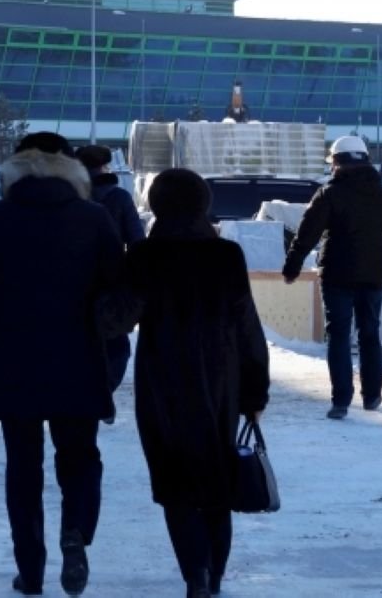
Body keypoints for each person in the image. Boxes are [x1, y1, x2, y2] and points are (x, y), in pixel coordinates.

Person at [0, 131, 123, 597]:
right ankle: (76, 532)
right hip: (79, 360)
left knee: (22, 467)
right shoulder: (94, 217)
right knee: (81, 457)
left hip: (13, 360)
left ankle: (31, 569)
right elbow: (117, 292)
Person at [115, 168, 270, 598]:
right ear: (203, 204)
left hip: (162, 380)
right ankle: (215, 575)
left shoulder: (143, 256)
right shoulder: (226, 255)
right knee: (218, 482)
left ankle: (195, 575)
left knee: (174, 482)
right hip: (221, 379)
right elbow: (247, 328)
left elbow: (119, 320)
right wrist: (256, 391)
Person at [281, 135, 382, 420]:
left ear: (337, 163)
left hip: (337, 275)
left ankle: (341, 400)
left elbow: (307, 234)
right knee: (370, 333)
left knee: (338, 335)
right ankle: (373, 395)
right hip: (374, 274)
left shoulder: (329, 194)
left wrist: (292, 267)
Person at [75, 144, 144, 411]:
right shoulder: (119, 198)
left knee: (79, 342)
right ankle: (101, 393)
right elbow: (137, 240)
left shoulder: (70, 196)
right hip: (111, 280)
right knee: (116, 344)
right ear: (105, 167)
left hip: (73, 280)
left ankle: (85, 394)